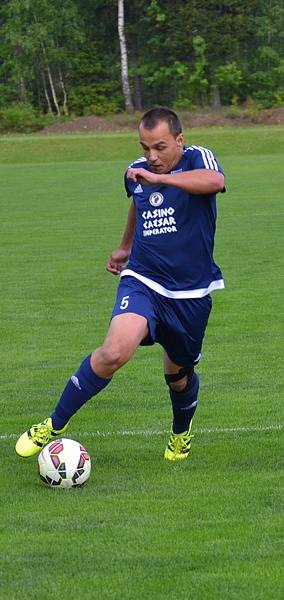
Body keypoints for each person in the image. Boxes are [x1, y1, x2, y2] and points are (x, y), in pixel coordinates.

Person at [15, 107, 226, 461]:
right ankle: (54, 423)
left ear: (179, 139)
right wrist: (125, 246)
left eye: (159, 147)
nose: (151, 157)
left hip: (190, 292)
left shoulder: (198, 159)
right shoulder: (137, 171)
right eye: (145, 148)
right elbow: (138, 203)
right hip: (143, 278)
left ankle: (180, 433)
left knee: (178, 374)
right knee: (114, 351)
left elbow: (215, 182)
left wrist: (162, 180)